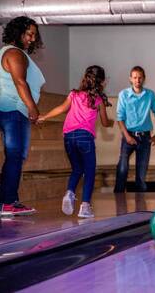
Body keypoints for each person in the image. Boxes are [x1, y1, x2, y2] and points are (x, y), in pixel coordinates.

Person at [38, 65, 114, 218]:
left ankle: (70, 192)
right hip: (84, 137)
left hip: (68, 137)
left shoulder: (74, 94)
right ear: (102, 82)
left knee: (77, 169)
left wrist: (44, 117)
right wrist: (111, 122)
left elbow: (61, 108)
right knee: (90, 171)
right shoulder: (98, 99)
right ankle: (85, 206)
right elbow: (105, 123)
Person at [0, 16, 45, 216]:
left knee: (15, 155)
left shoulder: (12, 53)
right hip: (14, 110)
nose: (32, 39)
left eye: (34, 35)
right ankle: (8, 202)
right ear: (18, 32)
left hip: (11, 110)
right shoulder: (14, 53)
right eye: (29, 34)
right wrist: (32, 108)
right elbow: (20, 83)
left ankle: (6, 200)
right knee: (16, 155)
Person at [114, 66, 155, 194]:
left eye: (140, 77)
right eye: (135, 77)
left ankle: (140, 204)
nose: (138, 80)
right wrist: (127, 136)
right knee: (122, 167)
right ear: (130, 79)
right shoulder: (124, 95)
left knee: (141, 174)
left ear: (144, 79)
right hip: (128, 135)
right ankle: (118, 197)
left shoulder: (150, 94)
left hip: (145, 137)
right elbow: (120, 118)